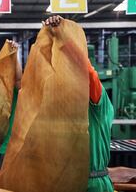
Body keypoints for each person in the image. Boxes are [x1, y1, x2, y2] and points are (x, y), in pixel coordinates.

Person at [43, 15, 114, 192]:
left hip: (94, 185)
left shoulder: (96, 102)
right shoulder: (66, 106)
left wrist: (63, 35)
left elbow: (86, 69)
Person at [0, 40, 22, 167]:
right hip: (9, 151)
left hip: (22, 151)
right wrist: (14, 55)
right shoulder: (22, 94)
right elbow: (18, 79)